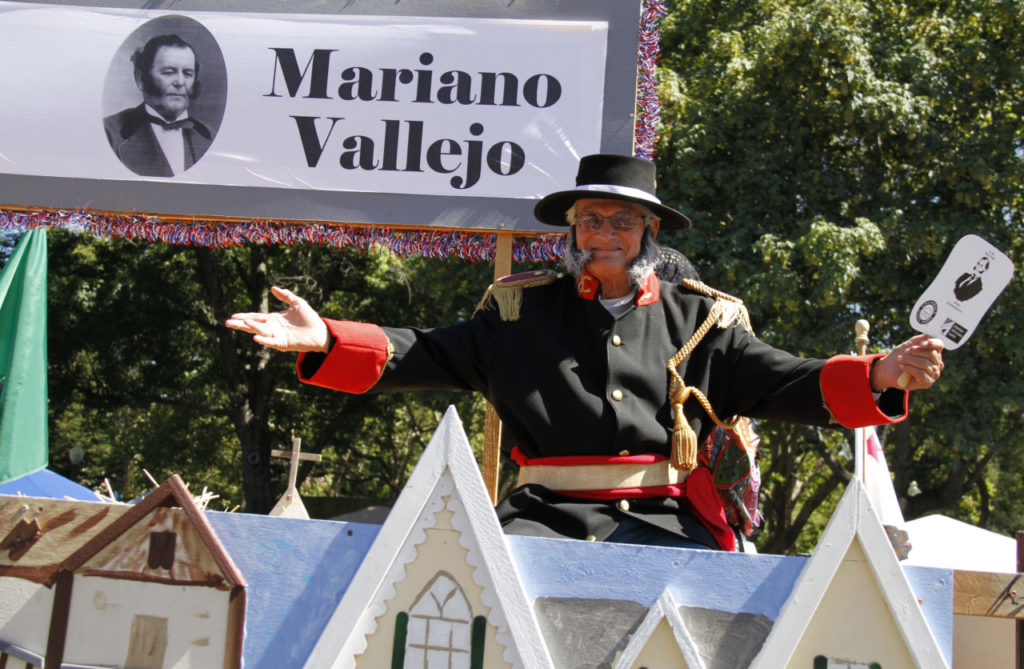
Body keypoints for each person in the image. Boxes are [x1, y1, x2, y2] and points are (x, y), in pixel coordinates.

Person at [226, 154, 945, 551]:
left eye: (622, 221)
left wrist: (882, 373)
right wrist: (327, 337)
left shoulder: (706, 318)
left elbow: (788, 381)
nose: (604, 233)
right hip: (543, 516)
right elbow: (425, 352)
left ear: (648, 232)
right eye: (590, 219)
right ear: (571, 230)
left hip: (669, 522)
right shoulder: (518, 311)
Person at [104, 34, 213, 177]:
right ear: (140, 79)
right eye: (169, 72)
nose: (180, 82)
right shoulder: (110, 133)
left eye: (187, 73)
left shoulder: (208, 136)